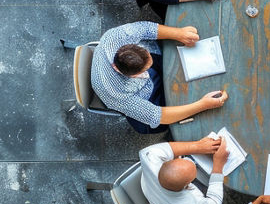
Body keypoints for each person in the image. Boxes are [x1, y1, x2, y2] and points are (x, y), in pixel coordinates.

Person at [90, 21, 229, 134]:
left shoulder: (116, 37)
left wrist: (179, 33)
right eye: (146, 68)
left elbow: (146, 29)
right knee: (184, 110)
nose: (150, 64)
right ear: (134, 75)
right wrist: (203, 105)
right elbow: (157, 116)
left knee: (169, 63)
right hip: (145, 100)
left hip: (143, 81)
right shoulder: (117, 93)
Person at [138, 135, 229, 204]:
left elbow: (170, 149)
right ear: (187, 186)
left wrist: (199, 146)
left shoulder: (148, 156)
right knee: (206, 179)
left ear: (166, 162)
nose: (192, 161)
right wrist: (218, 165)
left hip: (148, 188)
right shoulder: (191, 203)